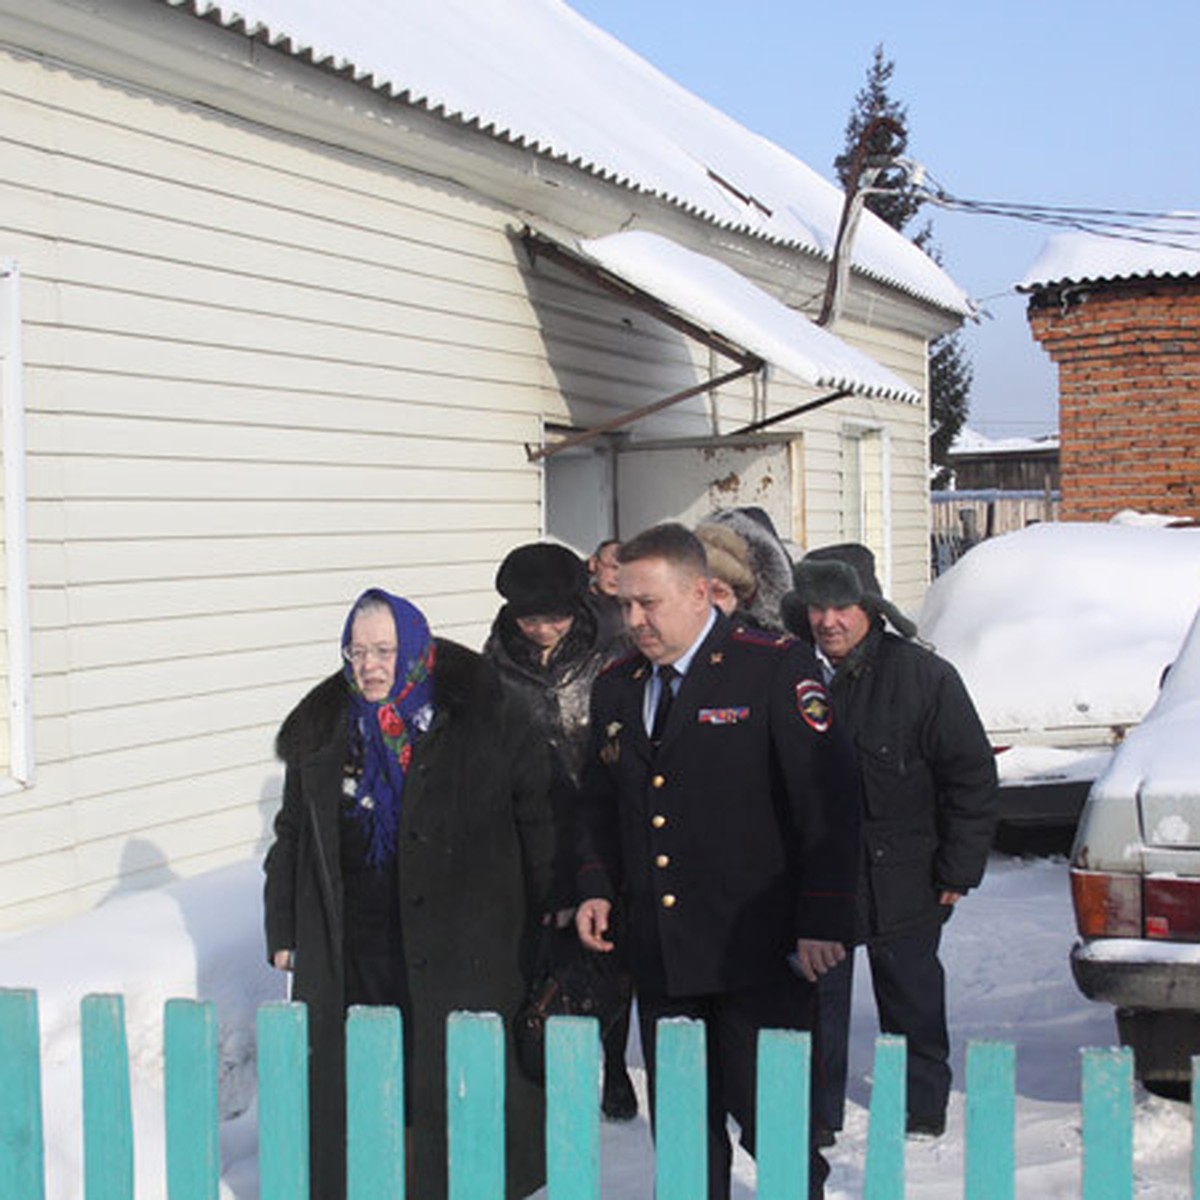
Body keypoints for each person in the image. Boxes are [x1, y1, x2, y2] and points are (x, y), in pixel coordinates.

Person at [575, 523, 861, 1199]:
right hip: (664, 953)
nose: (634, 619)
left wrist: (823, 917)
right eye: (625, 603)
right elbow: (596, 800)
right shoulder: (617, 684)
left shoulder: (772, 666)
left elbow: (829, 800)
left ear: (703, 592)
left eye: (649, 603)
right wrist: (593, 884)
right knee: (682, 1136)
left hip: (756, 951)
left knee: (775, 1129)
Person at [264, 588, 555, 1200]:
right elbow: (292, 836)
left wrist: (553, 911)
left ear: (417, 650)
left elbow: (540, 819)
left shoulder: (489, 718)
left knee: (452, 1074)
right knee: (368, 1071)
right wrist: (284, 929)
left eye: (386, 650)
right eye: (358, 650)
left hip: (466, 938)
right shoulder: (324, 732)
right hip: (359, 942)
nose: (370, 665)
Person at [779, 544, 999, 1143]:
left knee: (911, 996)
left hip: (906, 874)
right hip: (815, 881)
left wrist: (958, 867)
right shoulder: (786, 671)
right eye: (817, 607)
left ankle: (921, 1106)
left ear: (871, 608)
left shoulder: (924, 677)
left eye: (843, 606)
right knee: (815, 1002)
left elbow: (970, 775)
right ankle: (817, 1114)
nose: (829, 620)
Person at [483, 541, 637, 1120]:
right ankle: (551, 1062)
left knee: (611, 948)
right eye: (530, 619)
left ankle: (615, 1061)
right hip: (536, 824)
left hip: (607, 817)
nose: (543, 630)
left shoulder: (613, 652)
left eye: (555, 617)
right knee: (550, 947)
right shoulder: (494, 665)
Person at [587, 537, 626, 645]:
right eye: (613, 567)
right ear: (593, 563)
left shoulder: (633, 607)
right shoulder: (577, 604)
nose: (618, 577)